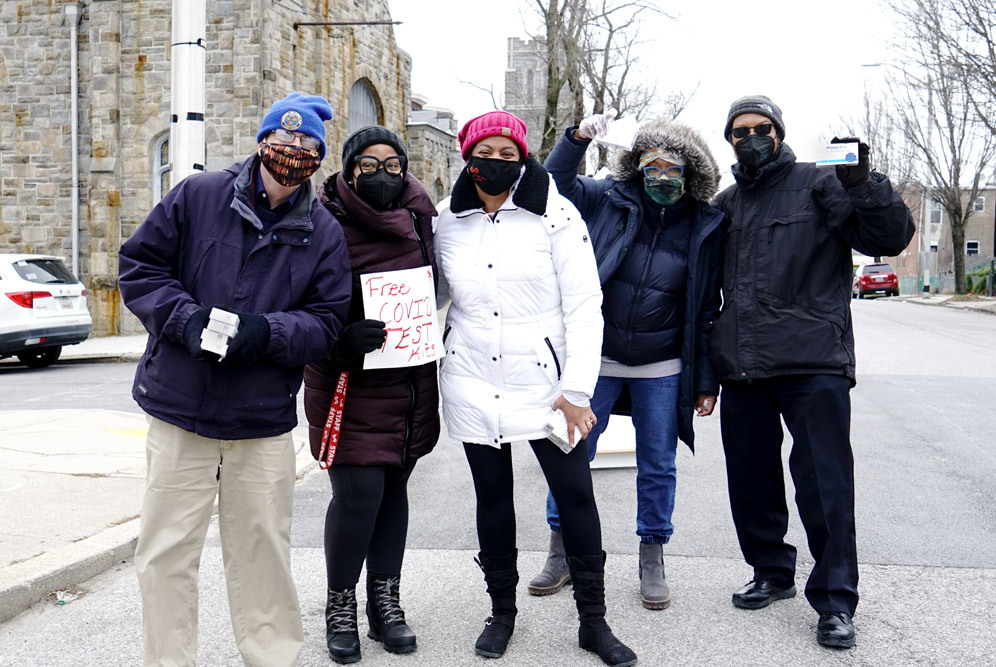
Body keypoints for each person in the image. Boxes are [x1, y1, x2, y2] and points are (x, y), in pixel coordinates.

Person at [118, 92, 352, 667]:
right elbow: (139, 266)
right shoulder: (197, 196)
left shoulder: (323, 232)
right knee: (166, 554)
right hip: (180, 412)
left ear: (319, 156)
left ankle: (272, 658)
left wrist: (265, 333)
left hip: (261, 420)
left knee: (262, 555)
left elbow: (327, 323)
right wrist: (185, 318)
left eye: (306, 145)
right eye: (283, 138)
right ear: (261, 141)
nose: (292, 152)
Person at [710, 95, 915, 649]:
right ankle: (771, 572)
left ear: (779, 132)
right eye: (739, 131)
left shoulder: (820, 184)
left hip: (813, 360)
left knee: (824, 483)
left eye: (761, 128)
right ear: (729, 140)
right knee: (750, 479)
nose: (750, 137)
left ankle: (834, 600)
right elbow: (705, 293)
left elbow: (888, 238)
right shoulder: (725, 204)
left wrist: (861, 182)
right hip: (744, 365)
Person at [434, 110, 636, 667]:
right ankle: (501, 612)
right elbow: (431, 294)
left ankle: (593, 623)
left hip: (549, 387)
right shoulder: (447, 219)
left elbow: (584, 305)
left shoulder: (555, 215)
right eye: (485, 152)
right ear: (467, 154)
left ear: (522, 158)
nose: (495, 162)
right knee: (492, 496)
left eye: (507, 153)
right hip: (473, 379)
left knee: (575, 495)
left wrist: (578, 390)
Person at [536, 115, 724, 610]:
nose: (662, 174)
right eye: (651, 164)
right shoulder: (608, 200)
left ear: (690, 172)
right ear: (637, 166)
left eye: (673, 166)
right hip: (595, 357)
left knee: (658, 463)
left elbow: (706, 308)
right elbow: (552, 186)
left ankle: (652, 554)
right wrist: (575, 138)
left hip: (661, 364)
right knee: (572, 452)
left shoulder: (706, 225)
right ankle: (563, 551)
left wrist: (706, 379)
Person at [302, 126, 440, 664]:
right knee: (358, 496)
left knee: (394, 492)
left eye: (392, 163)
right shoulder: (322, 221)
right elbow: (299, 301)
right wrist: (340, 337)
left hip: (408, 382)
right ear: (348, 168)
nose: (381, 173)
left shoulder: (422, 218)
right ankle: (340, 605)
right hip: (347, 380)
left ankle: (386, 603)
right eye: (368, 163)